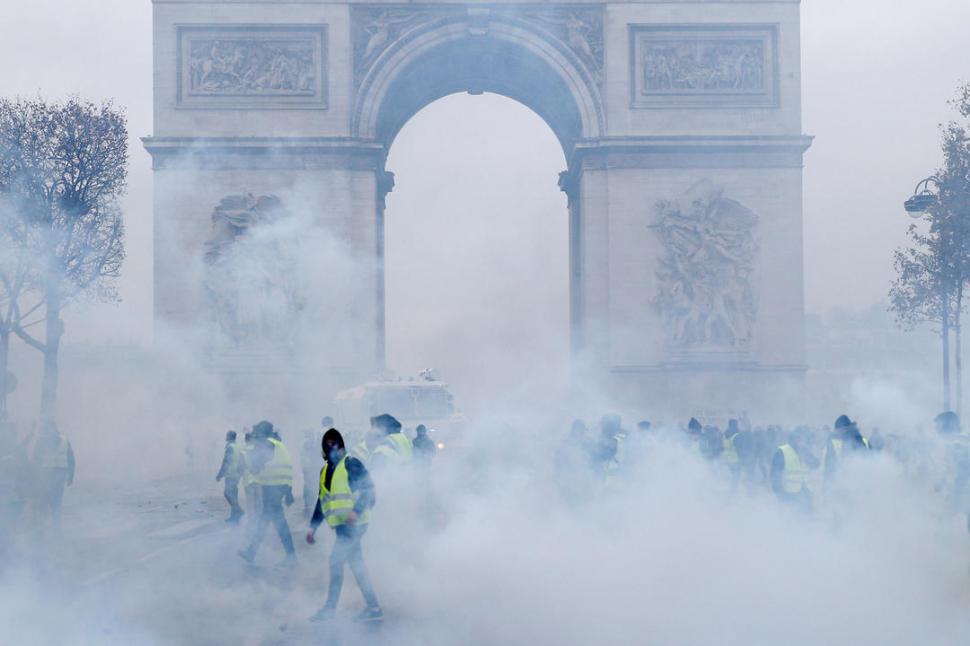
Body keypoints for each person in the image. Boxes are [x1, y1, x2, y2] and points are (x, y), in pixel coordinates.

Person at [307, 428, 382, 623]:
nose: (331, 447)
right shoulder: (325, 470)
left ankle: (329, 610)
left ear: (341, 445)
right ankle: (374, 608)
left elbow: (369, 492)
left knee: (336, 562)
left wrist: (355, 512)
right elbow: (321, 500)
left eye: (334, 443)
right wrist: (313, 526)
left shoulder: (351, 464)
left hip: (355, 526)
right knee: (357, 566)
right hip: (342, 527)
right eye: (327, 444)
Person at [238, 421, 296, 565]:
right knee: (272, 521)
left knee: (272, 522)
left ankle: (290, 557)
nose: (256, 436)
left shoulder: (269, 443)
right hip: (278, 487)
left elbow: (260, 463)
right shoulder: (279, 444)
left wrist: (249, 461)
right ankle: (253, 551)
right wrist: (288, 492)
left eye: (258, 432)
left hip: (273, 487)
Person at [31, 421, 74, 527]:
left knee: (45, 501)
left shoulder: (41, 441)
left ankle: (44, 527)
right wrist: (70, 476)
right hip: (59, 475)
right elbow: (71, 459)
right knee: (56, 502)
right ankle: (55, 526)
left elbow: (35, 460)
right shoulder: (65, 440)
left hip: (47, 476)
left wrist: (34, 477)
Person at [770, 428, 818, 514]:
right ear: (792, 439)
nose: (801, 441)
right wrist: (779, 494)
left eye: (802, 439)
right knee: (792, 518)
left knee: (807, 517)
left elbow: (815, 464)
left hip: (805, 490)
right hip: (789, 492)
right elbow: (774, 475)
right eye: (799, 438)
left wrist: (807, 453)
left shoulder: (804, 451)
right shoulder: (782, 451)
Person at [822, 415, 869, 486]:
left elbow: (829, 466)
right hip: (861, 482)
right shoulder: (863, 439)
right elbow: (872, 457)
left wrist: (826, 484)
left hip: (841, 482)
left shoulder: (833, 441)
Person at [215, 430, 244, 523]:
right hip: (237, 474)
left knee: (227, 493)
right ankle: (234, 517)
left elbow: (226, 462)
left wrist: (220, 474)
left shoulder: (230, 447)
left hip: (231, 474)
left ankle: (239, 510)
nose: (225, 436)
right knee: (234, 495)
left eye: (227, 435)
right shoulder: (238, 446)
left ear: (229, 437)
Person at [301, 427, 325, 516]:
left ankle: (310, 506)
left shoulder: (310, 443)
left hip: (311, 468)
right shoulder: (307, 442)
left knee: (311, 486)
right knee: (310, 486)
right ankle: (309, 506)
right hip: (310, 468)